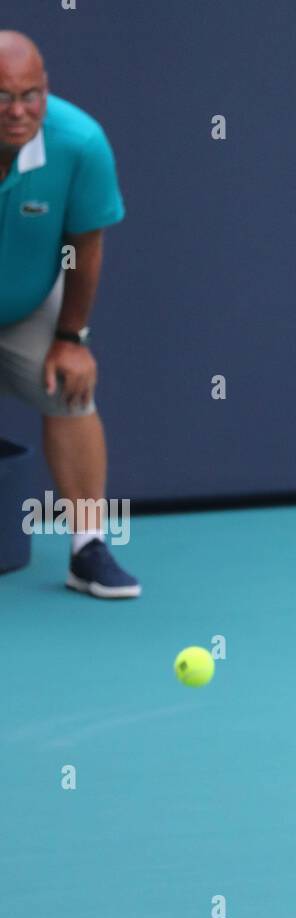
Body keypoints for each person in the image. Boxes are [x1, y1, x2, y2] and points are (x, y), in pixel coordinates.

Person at [0, 30, 138, 598]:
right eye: (2, 96)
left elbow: (85, 245)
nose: (18, 111)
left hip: (29, 304)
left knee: (70, 387)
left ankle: (87, 549)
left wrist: (71, 337)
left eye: (31, 94)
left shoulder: (79, 143)